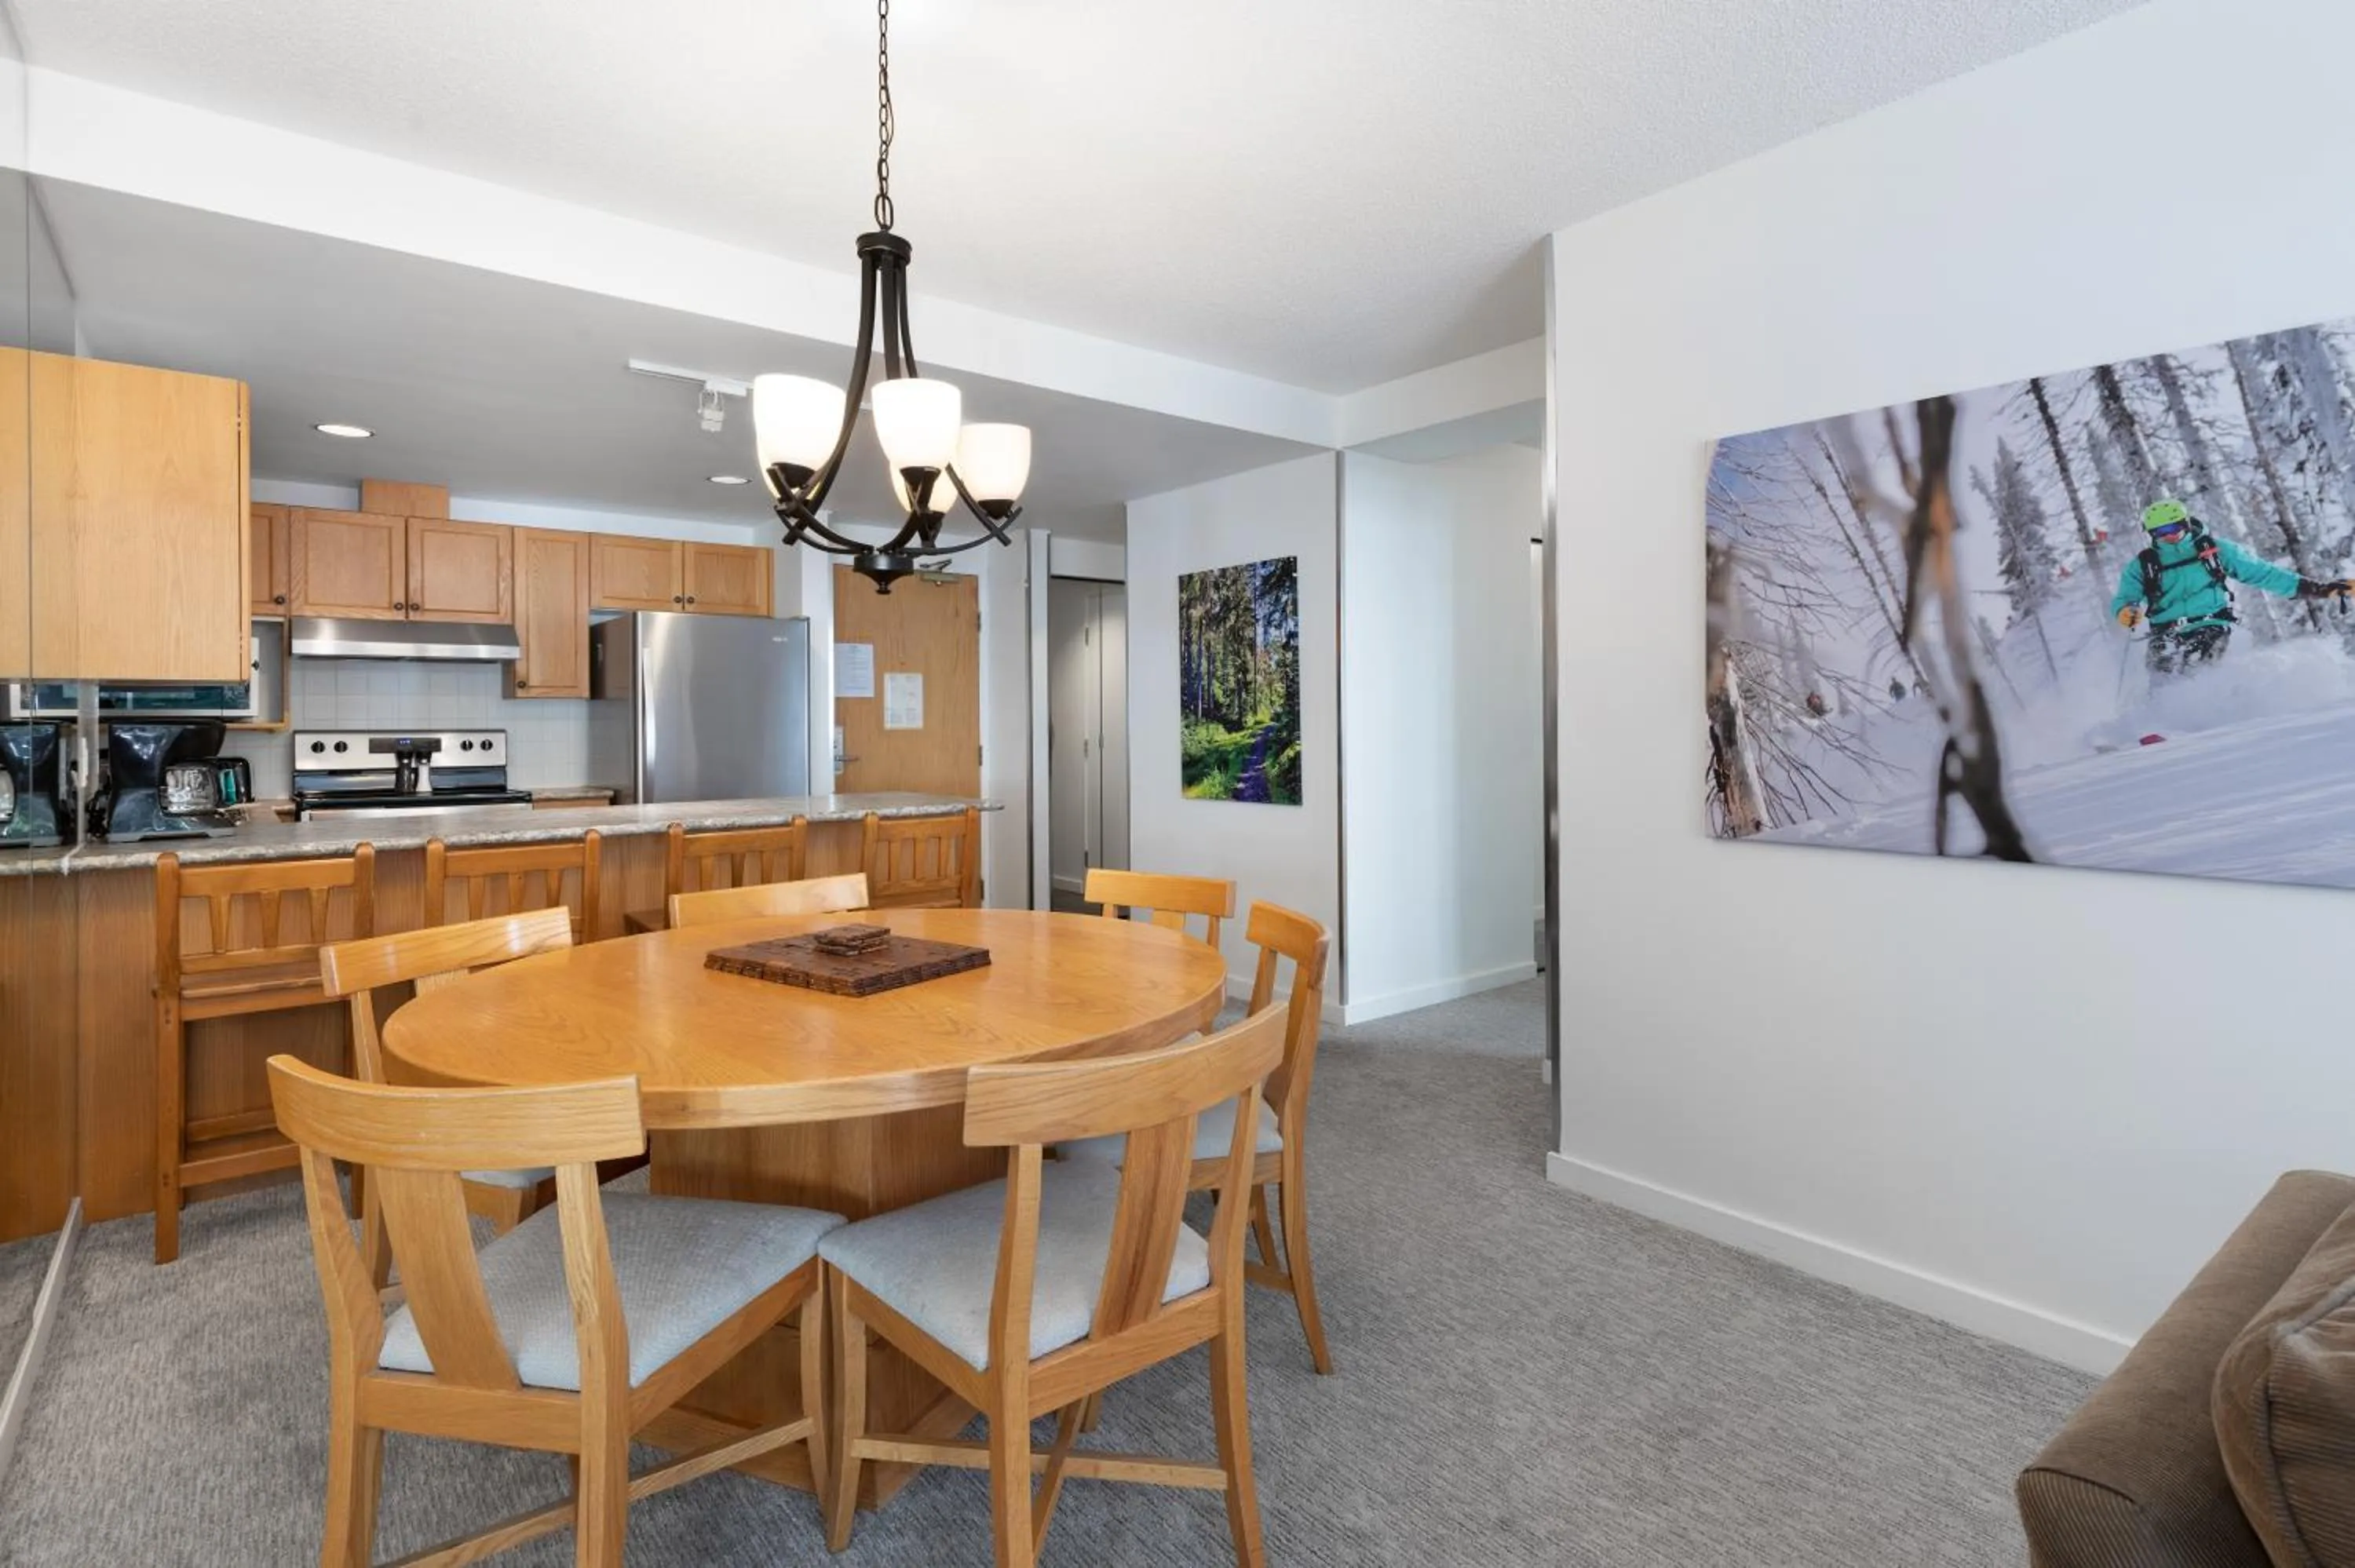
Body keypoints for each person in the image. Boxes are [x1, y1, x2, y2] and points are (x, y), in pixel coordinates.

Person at [2112, 500, 2353, 676]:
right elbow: (2126, 597)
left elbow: (2263, 573)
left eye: (2176, 528)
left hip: (2209, 624)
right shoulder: (2144, 564)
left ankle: (2208, 721)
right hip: (2165, 630)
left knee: (2196, 670)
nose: (2171, 536)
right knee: (2161, 677)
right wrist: (2126, 611)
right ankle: (2161, 729)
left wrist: (2319, 589)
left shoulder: (2213, 550)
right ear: (2152, 535)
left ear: (2186, 523)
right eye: (2162, 532)